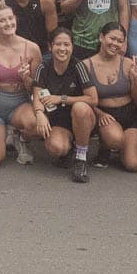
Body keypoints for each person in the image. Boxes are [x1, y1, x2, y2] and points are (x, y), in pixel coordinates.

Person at [0, 3, 42, 168]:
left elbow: (36, 87)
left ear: (15, 19)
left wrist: (26, 78)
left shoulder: (32, 48)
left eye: (10, 18)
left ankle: (19, 137)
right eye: (2, 20)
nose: (8, 23)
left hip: (19, 103)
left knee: (36, 124)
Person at [78, 24, 137, 177]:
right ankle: (105, 146)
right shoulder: (86, 65)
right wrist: (99, 113)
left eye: (120, 41)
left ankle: (125, 149)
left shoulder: (129, 63)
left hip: (129, 114)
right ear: (101, 37)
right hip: (105, 114)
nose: (115, 44)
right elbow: (82, 98)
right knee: (115, 139)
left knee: (134, 164)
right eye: (112, 38)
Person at [30, 28, 91, 180]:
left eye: (67, 44)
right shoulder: (43, 67)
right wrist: (39, 113)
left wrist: (61, 98)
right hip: (58, 120)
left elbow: (92, 99)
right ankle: (70, 148)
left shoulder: (79, 66)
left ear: (72, 47)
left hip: (81, 117)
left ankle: (81, 158)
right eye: (58, 44)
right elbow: (37, 95)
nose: (62, 49)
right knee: (56, 147)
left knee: (80, 107)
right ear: (50, 46)